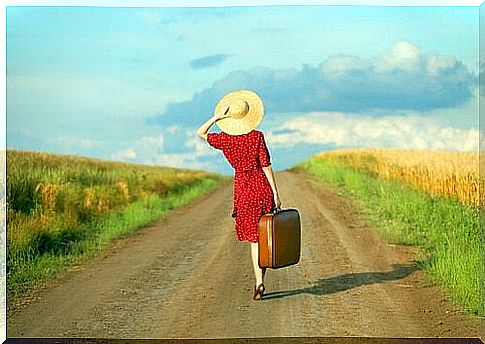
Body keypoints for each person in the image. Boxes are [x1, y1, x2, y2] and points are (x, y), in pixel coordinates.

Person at [196, 89, 282, 301]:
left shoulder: (225, 140)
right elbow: (266, 166)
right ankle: (261, 277)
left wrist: (217, 118)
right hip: (262, 188)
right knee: (265, 235)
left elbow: (201, 133)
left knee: (254, 239)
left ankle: (259, 282)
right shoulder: (257, 137)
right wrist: (276, 193)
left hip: (243, 190)